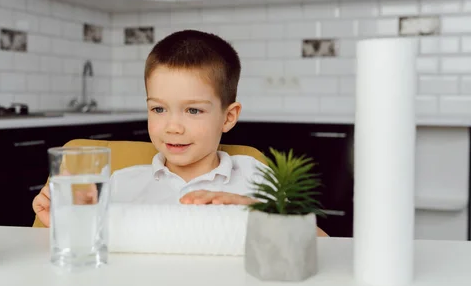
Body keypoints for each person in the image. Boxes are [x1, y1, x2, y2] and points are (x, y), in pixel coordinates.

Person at [33, 30, 328, 237]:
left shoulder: (257, 177)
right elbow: (89, 244)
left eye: (193, 111)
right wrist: (67, 215)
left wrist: (264, 214)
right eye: (159, 110)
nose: (173, 126)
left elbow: (321, 242)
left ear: (228, 117)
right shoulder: (121, 183)